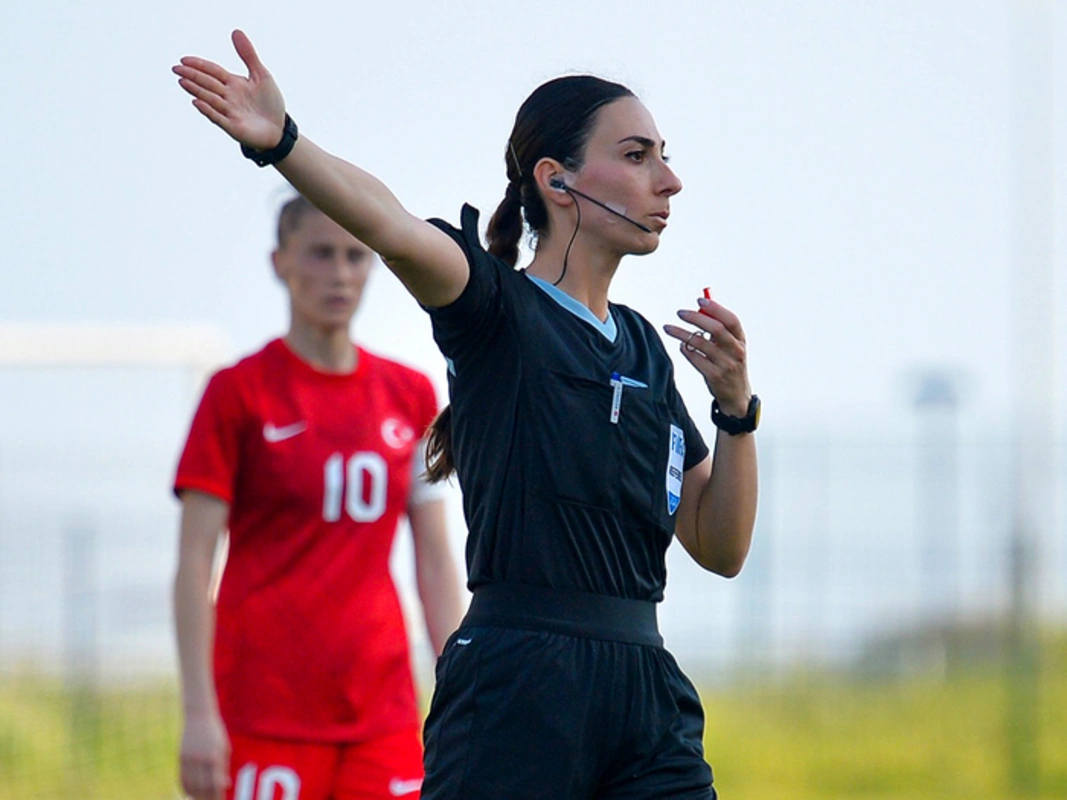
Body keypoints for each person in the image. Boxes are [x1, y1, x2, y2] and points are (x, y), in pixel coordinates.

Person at [173, 30, 759, 800]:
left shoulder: (645, 349)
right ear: (556, 180)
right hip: (517, 687)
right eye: (636, 155)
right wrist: (282, 141)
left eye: (663, 156)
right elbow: (388, 223)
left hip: (646, 694)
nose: (669, 181)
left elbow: (720, 548)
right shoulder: (492, 307)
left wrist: (735, 411)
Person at [172, 194, 465, 800]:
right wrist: (199, 712)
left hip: (381, 711)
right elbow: (195, 564)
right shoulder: (237, 394)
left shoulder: (409, 394)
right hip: (263, 710)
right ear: (281, 263)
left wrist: (463, 685)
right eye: (321, 254)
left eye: (355, 256)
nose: (340, 273)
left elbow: (436, 561)